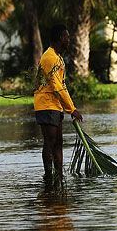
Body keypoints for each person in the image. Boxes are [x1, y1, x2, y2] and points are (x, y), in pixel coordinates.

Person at [34, 24, 83, 177]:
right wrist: (72, 109)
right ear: (61, 38)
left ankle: (59, 174)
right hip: (47, 105)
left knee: (58, 141)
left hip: (55, 105)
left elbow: (62, 86)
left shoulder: (57, 57)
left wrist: (69, 107)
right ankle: (49, 176)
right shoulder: (49, 58)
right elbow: (56, 86)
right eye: (67, 38)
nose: (69, 41)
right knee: (50, 141)